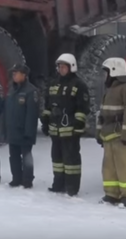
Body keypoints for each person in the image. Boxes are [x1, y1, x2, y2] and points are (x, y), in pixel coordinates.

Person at [41, 53, 90, 197]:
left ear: (71, 67)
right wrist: (45, 121)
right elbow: (48, 105)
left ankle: (72, 187)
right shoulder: (53, 84)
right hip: (55, 130)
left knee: (71, 161)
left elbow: (83, 107)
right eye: (59, 67)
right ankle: (58, 184)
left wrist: (78, 125)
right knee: (57, 159)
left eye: (64, 67)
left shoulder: (79, 85)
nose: (61, 69)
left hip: (70, 130)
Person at [97, 57, 126, 208]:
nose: (105, 76)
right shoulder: (109, 91)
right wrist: (99, 132)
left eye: (106, 72)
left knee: (124, 165)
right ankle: (112, 194)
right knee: (108, 166)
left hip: (121, 135)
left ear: (115, 71)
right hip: (108, 134)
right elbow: (102, 114)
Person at [4, 64, 39, 189]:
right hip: (13, 130)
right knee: (13, 156)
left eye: (16, 73)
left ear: (24, 75)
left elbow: (32, 114)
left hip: (24, 132)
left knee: (26, 156)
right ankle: (16, 178)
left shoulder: (31, 91)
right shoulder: (12, 89)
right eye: (13, 73)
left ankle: (27, 180)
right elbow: (7, 110)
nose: (14, 75)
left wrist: (29, 133)